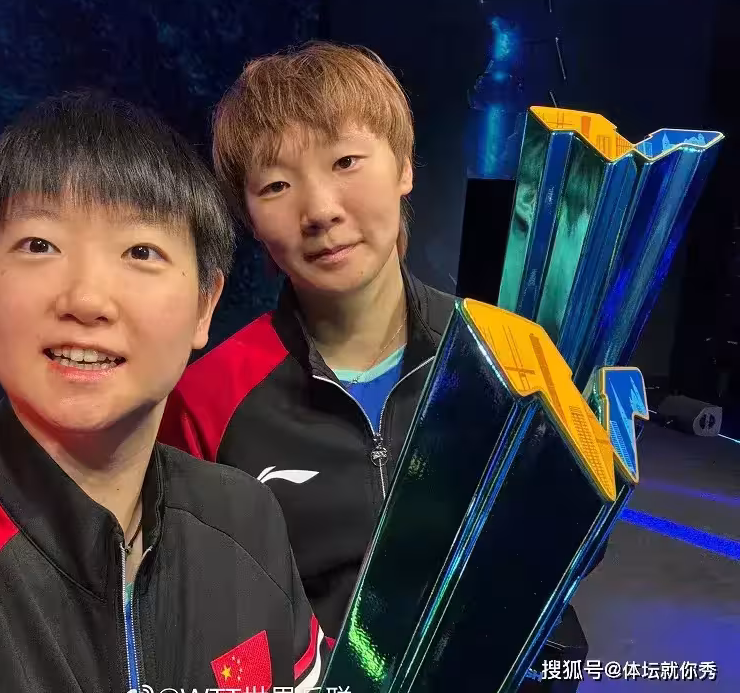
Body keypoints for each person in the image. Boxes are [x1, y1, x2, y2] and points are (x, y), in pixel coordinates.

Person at [0, 92, 328, 693]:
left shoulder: (248, 521)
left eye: (140, 252)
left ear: (206, 306)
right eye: (39, 245)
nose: (86, 300)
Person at [158, 41, 598, 665]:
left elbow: (567, 557)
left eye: (346, 161)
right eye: (277, 184)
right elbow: (198, 604)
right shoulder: (206, 399)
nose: (320, 210)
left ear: (405, 167)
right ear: (249, 218)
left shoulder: (511, 355)